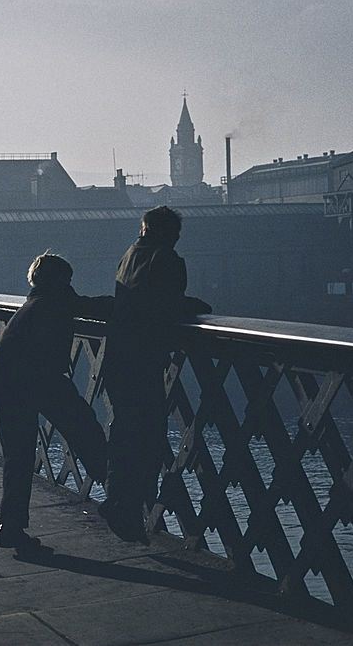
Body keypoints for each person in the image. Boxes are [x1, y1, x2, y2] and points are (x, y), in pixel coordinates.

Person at [0, 253, 113, 550]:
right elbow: (94, 307)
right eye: (66, 280)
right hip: (38, 379)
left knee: (19, 456)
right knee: (84, 430)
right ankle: (115, 493)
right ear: (59, 280)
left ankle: (10, 526)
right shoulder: (57, 300)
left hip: (6, 380)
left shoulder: (33, 302)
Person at [101, 206, 211, 543]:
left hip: (118, 358)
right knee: (148, 440)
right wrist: (195, 306)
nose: (177, 240)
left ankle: (116, 499)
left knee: (124, 435)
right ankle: (130, 513)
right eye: (175, 234)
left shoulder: (128, 255)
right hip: (144, 360)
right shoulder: (169, 260)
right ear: (166, 233)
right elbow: (167, 305)